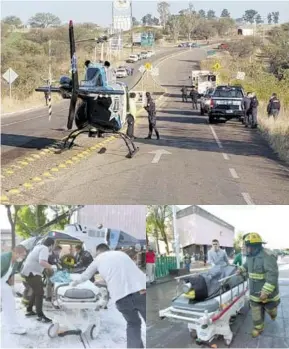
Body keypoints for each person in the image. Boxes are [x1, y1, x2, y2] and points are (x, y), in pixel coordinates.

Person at [71, 244, 146, 348]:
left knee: (133, 324)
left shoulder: (98, 259)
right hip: (141, 291)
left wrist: (73, 284)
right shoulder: (122, 254)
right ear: (108, 249)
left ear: (98, 252)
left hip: (121, 299)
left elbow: (85, 275)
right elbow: (125, 274)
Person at [237, 233, 280, 338]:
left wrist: (265, 291)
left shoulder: (267, 256)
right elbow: (247, 265)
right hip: (254, 292)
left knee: (271, 310)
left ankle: (273, 313)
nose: (245, 248)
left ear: (254, 246)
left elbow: (272, 275)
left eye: (246, 246)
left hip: (268, 294)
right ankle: (258, 328)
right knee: (255, 311)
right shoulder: (250, 256)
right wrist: (241, 269)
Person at [21, 237, 57, 323]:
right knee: (40, 292)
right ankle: (40, 315)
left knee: (35, 291)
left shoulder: (38, 247)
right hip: (32, 273)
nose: (53, 247)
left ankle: (29, 310)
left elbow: (38, 262)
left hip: (28, 272)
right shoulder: (44, 248)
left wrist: (46, 268)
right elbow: (42, 262)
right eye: (53, 245)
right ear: (51, 245)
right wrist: (52, 267)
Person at [1, 245, 28, 335]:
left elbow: (11, 275)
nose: (24, 258)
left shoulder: (16, 261)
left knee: (10, 303)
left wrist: (12, 288)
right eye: (23, 255)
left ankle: (13, 327)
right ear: (17, 253)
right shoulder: (3, 259)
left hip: (2, 283)